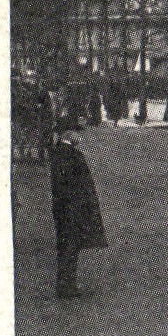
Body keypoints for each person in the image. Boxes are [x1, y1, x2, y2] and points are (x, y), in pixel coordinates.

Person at [48, 116, 108, 298]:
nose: (79, 136)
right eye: (76, 132)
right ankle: (66, 287)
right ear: (68, 134)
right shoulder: (67, 154)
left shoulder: (62, 151)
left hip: (68, 207)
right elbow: (67, 183)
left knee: (70, 246)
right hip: (71, 208)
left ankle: (68, 284)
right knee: (69, 246)